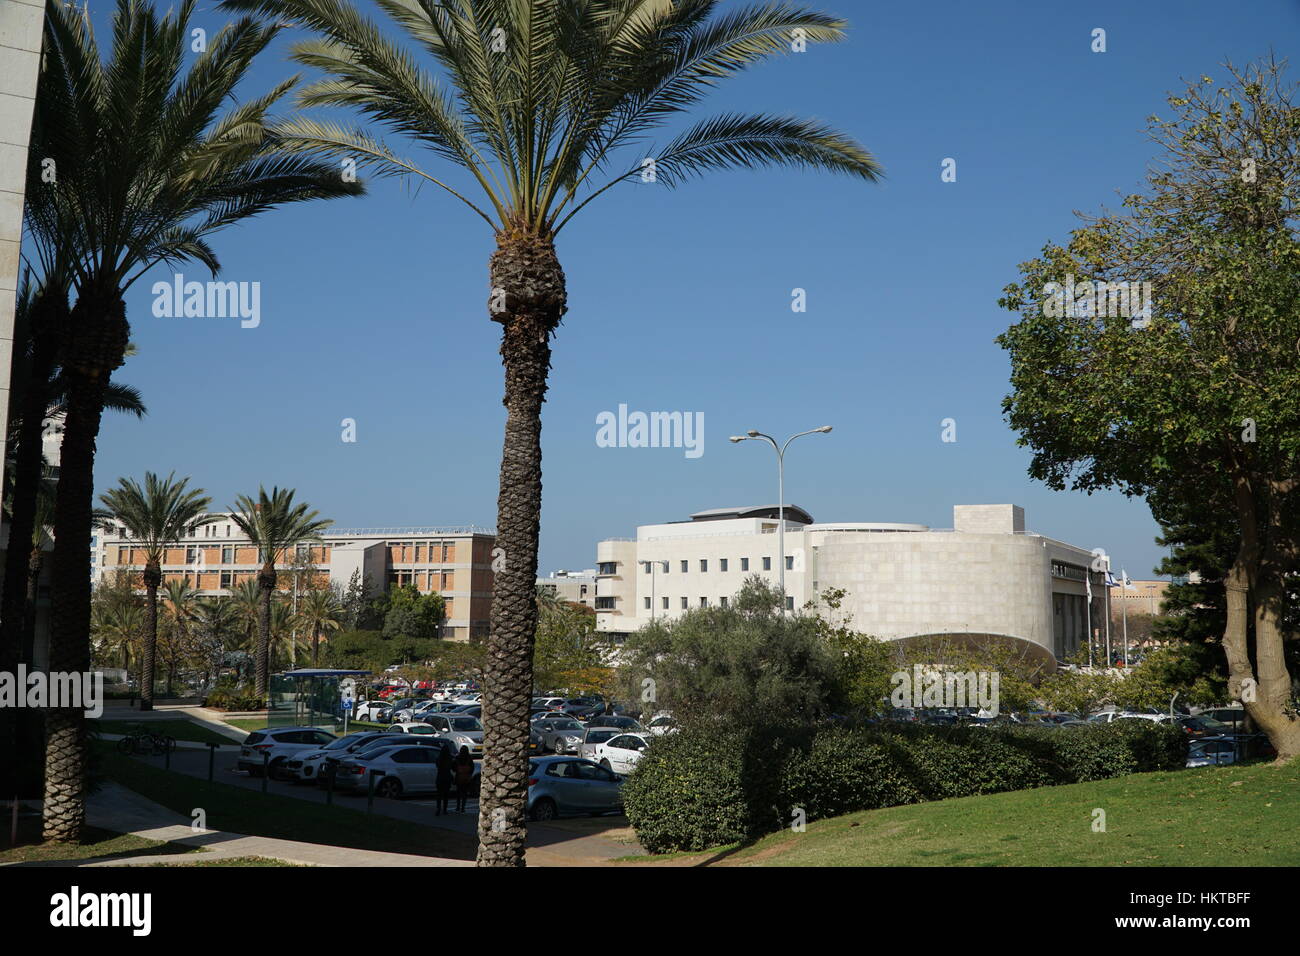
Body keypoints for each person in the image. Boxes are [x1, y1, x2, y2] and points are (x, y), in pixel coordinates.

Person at [454, 745, 474, 812]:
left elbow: (454, 768)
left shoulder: (457, 757)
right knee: (464, 793)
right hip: (466, 778)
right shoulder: (469, 758)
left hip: (459, 777)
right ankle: (463, 807)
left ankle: (458, 807)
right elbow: (472, 768)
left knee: (458, 793)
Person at [435, 746, 453, 815]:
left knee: (439, 795)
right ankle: (445, 810)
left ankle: (438, 809)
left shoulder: (439, 759)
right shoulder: (449, 759)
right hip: (447, 778)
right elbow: (451, 767)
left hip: (440, 777)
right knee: (446, 795)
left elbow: (437, 766)